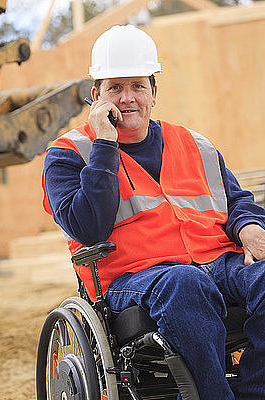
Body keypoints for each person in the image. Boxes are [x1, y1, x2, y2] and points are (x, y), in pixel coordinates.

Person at [42, 25, 265, 399]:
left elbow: (235, 201)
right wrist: (105, 146)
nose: (127, 98)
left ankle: (254, 390)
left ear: (154, 93)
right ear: (96, 95)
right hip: (137, 278)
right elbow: (89, 228)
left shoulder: (195, 144)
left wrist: (246, 227)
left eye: (138, 86)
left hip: (216, 263)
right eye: (115, 88)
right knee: (184, 283)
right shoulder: (68, 155)